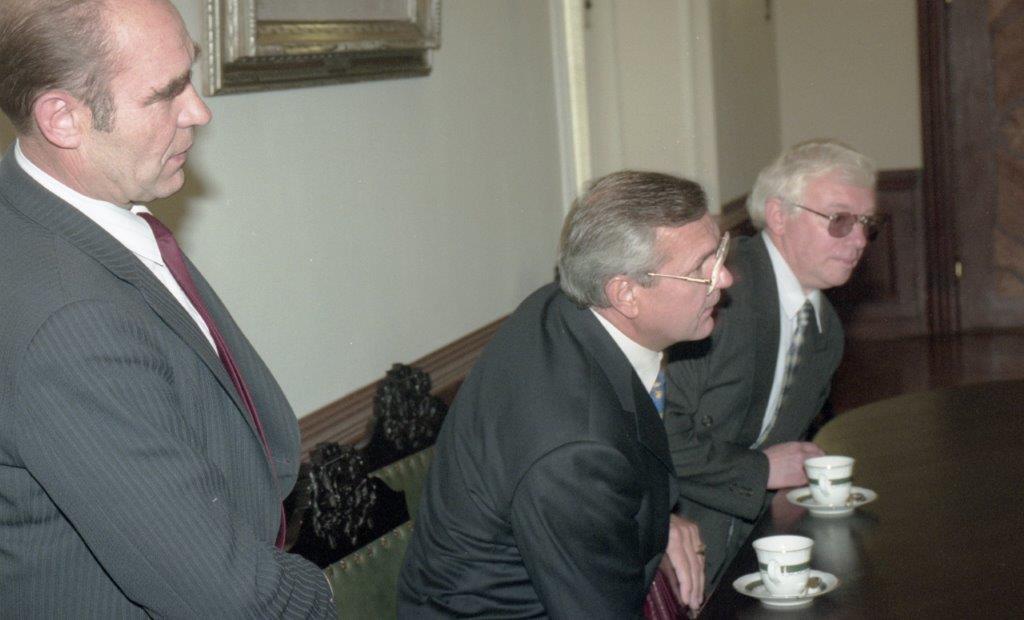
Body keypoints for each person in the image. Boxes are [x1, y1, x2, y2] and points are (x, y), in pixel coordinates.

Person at [0, 0, 334, 616]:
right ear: (63, 119)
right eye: (165, 94)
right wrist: (336, 593)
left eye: (190, 76)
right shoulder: (73, 325)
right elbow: (226, 597)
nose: (199, 111)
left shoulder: (49, 211)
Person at [398, 170, 733, 618]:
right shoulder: (576, 447)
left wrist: (653, 524)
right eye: (700, 269)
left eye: (719, 254)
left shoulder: (565, 306)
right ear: (625, 294)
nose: (724, 278)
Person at [663, 139, 880, 589]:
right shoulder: (716, 296)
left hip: (745, 543)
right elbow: (656, 435)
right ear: (779, 215)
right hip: (668, 538)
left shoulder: (825, 330)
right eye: (839, 220)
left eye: (866, 224)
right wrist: (761, 472)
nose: (859, 240)